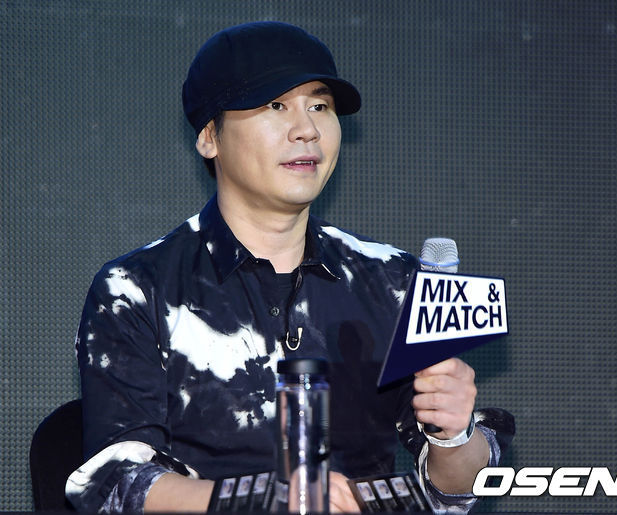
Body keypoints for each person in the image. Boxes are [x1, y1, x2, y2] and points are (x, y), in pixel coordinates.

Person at [65, 21, 514, 513]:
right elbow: (116, 487)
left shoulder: (396, 281)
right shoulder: (136, 289)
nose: (307, 130)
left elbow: (452, 494)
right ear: (210, 136)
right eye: (275, 106)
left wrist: (455, 436)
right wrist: (265, 501)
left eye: (320, 106)